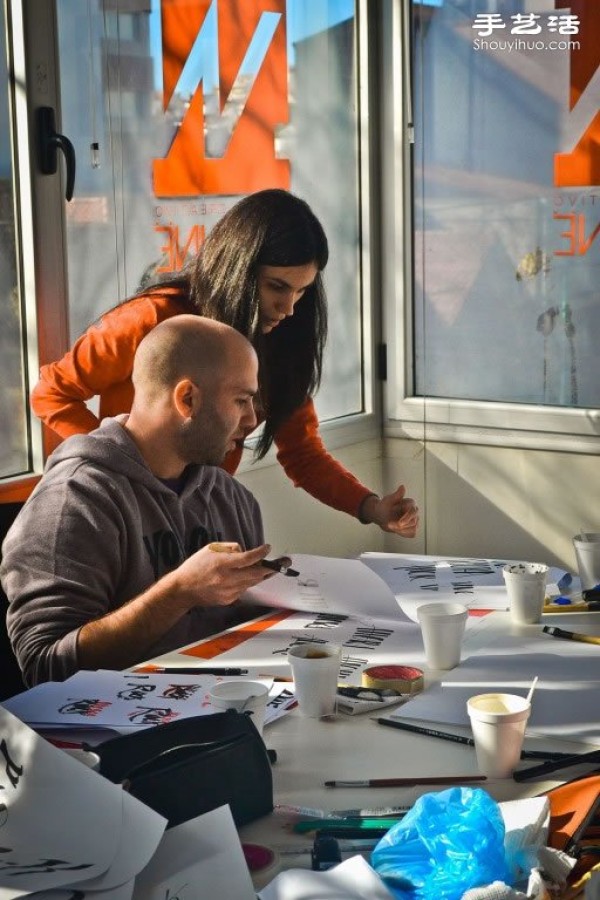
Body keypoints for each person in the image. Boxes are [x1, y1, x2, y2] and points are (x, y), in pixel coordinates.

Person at [31, 189, 419, 536]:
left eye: (302, 292)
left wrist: (370, 507)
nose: (289, 309)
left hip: (195, 521)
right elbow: (52, 393)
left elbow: (302, 452)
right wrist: (121, 462)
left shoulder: (282, 340)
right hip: (117, 514)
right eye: (277, 287)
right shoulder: (151, 319)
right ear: (238, 269)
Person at [1, 316, 276, 686]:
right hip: (117, 736)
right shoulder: (72, 501)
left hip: (229, 712)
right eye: (241, 400)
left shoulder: (231, 497)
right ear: (187, 398)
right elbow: (46, 669)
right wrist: (179, 592)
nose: (251, 419)